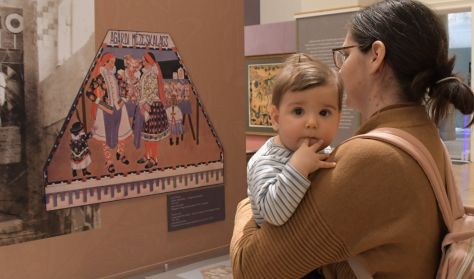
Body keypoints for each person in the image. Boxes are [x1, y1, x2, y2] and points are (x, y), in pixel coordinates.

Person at [230, 1, 474, 278]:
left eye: (345, 55)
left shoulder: (370, 158)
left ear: (375, 55)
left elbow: (250, 267)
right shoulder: (424, 135)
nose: (341, 70)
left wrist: (248, 204)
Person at [247, 53, 342, 227]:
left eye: (324, 113)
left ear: (338, 119)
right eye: (298, 112)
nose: (312, 123)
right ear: (276, 118)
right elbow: (273, 215)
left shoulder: (328, 153)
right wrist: (298, 167)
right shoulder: (266, 161)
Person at [86, 53, 132, 174]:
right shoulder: (99, 78)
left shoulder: (117, 76)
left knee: (122, 131)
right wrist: (98, 102)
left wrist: (124, 99)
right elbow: (89, 92)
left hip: (119, 107)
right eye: (110, 62)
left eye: (114, 62)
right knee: (105, 136)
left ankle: (120, 153)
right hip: (105, 109)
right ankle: (109, 161)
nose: (113, 64)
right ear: (104, 63)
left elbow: (125, 88)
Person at [136, 52, 170, 169]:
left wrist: (146, 104)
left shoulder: (153, 74)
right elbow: (142, 90)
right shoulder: (144, 74)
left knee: (153, 135)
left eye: (144, 61)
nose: (143, 63)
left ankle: (154, 158)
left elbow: (152, 90)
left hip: (153, 106)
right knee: (146, 134)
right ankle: (147, 155)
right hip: (144, 105)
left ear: (150, 61)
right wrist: (141, 103)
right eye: (142, 61)